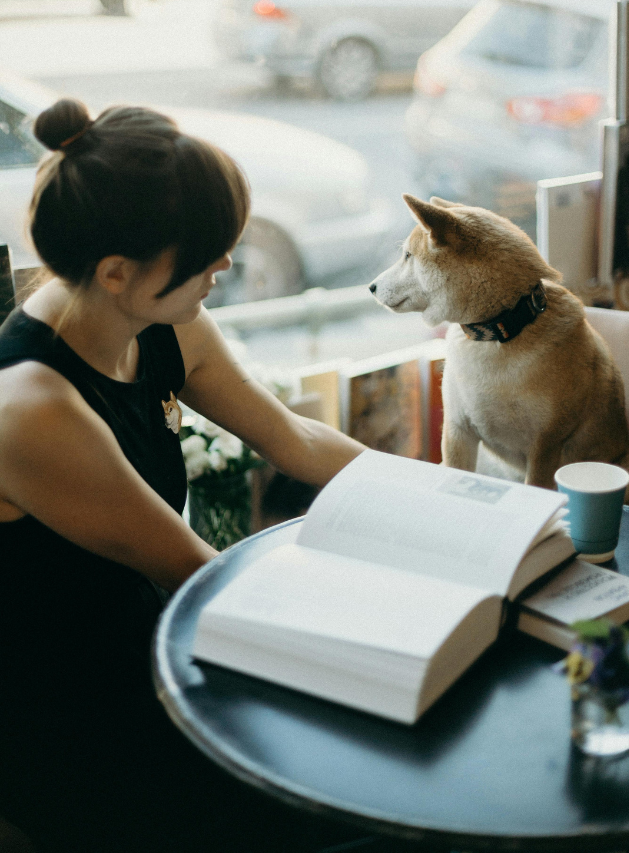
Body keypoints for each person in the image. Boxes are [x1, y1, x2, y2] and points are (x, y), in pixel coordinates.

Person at [0, 98, 371, 853]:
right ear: (117, 272)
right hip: (77, 713)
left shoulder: (163, 321)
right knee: (341, 800)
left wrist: (456, 500)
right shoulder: (29, 407)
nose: (225, 266)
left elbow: (296, 440)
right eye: (204, 254)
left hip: (162, 645)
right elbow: (191, 571)